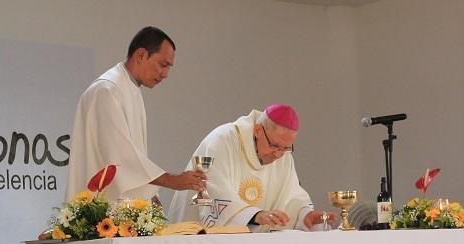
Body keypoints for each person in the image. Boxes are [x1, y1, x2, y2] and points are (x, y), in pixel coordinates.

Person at [65, 26, 206, 203]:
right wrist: (172, 180)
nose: (165, 74)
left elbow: (132, 157)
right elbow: (120, 156)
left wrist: (149, 194)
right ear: (141, 55)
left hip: (123, 210)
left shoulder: (130, 88)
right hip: (99, 210)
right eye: (163, 65)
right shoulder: (107, 90)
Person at [168, 104, 333, 230]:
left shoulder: (283, 154)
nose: (278, 154)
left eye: (286, 148)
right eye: (275, 145)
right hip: (198, 239)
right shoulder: (222, 141)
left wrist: (304, 216)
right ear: (258, 130)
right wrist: (255, 215)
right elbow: (213, 190)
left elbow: (290, 195)